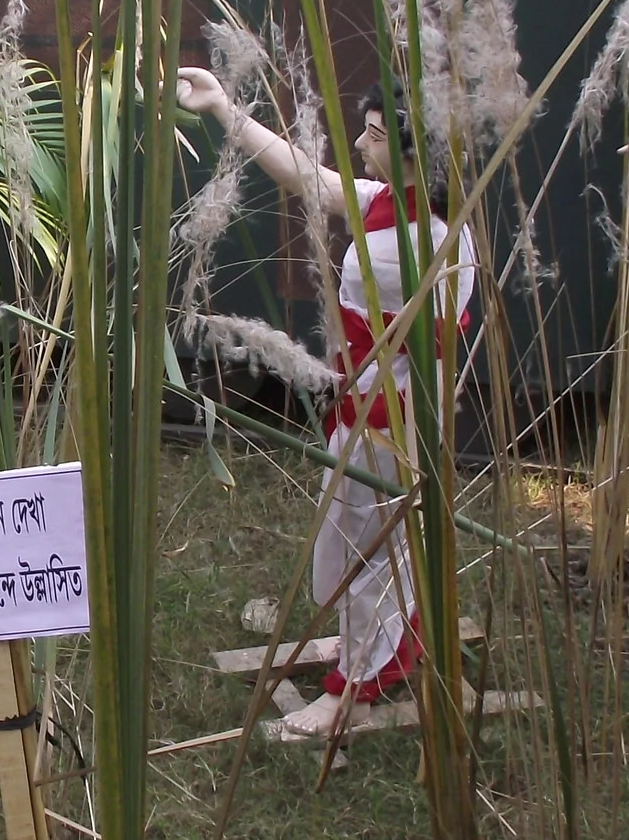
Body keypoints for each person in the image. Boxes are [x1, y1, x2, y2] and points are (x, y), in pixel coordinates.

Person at [175, 66, 476, 741]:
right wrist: (227, 107)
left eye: (374, 135)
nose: (361, 146)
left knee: (370, 545)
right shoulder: (402, 207)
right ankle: (381, 646)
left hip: (387, 422)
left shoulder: (414, 241)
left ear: (412, 154)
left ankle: (355, 689)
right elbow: (310, 177)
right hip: (371, 406)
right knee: (365, 536)